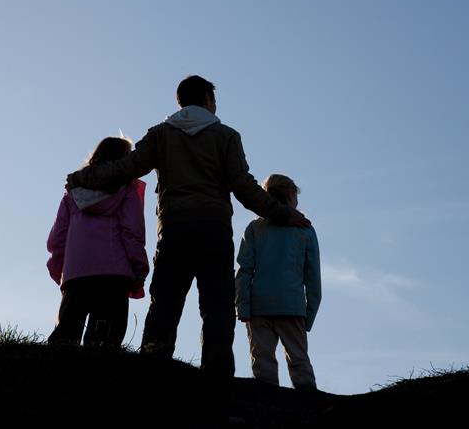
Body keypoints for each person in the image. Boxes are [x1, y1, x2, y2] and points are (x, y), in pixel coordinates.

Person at [65, 75, 310, 379]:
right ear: (208, 99)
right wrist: (283, 214)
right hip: (214, 229)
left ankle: (153, 366)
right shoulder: (226, 136)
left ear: (179, 100)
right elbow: (244, 187)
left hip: (174, 228)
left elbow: (125, 169)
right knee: (217, 305)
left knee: (165, 301)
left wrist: (82, 178)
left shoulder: (160, 134)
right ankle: (217, 373)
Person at [46, 137, 149, 347]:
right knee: (104, 341)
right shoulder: (127, 191)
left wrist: (60, 271)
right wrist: (140, 269)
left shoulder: (72, 194)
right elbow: (132, 233)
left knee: (65, 337)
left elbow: (58, 239)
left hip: (76, 275)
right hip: (114, 276)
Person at [235, 174, 321, 391]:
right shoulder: (305, 230)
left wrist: (242, 306)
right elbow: (312, 278)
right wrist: (308, 314)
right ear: (291, 196)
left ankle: (265, 408)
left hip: (259, 305)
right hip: (292, 306)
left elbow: (244, 270)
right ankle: (310, 406)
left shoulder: (254, 228)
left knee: (262, 363)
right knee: (299, 360)